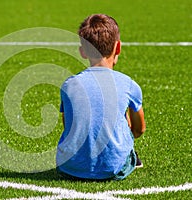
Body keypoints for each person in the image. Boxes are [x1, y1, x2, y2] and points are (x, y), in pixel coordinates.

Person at [56, 14, 146, 181]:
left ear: (82, 52)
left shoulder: (69, 85)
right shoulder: (128, 84)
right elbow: (139, 129)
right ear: (117, 47)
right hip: (113, 168)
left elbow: (69, 125)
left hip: (69, 167)